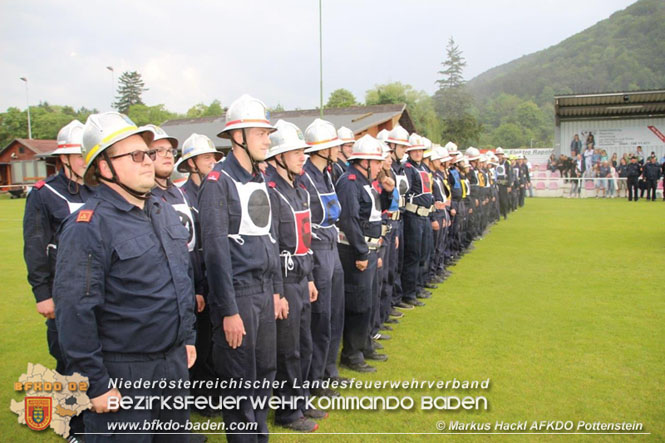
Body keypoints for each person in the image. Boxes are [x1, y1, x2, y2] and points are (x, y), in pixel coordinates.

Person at [53, 112, 198, 442]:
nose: (148, 161)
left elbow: (180, 279)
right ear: (104, 167)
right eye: (135, 155)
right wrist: (96, 384)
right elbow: (75, 314)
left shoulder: (159, 210)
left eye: (148, 153)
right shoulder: (88, 226)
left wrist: (187, 337)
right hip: (124, 372)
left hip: (172, 364)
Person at [198, 94, 281, 441]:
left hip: (263, 293)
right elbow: (215, 253)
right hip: (239, 297)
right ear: (238, 137)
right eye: (260, 133)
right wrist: (228, 311)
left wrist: (276, 290)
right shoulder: (219, 183)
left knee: (264, 375)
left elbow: (271, 238)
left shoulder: (262, 177)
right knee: (240, 382)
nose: (267, 139)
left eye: (267, 133)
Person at [23, 120, 94, 441]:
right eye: (78, 155)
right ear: (64, 158)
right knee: (69, 361)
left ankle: (96, 422)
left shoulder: (99, 189)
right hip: (62, 295)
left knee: (97, 362)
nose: (84, 160)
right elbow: (35, 247)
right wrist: (42, 294)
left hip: (97, 293)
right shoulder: (44, 194)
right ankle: (72, 426)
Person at [265, 120, 325, 432]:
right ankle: (287, 412)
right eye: (295, 152)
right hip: (285, 281)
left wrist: (312, 277)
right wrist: (277, 292)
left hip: (302, 278)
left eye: (302, 151)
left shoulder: (299, 189)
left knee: (304, 343)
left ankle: (300, 400)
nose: (302, 156)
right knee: (287, 350)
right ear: (277, 157)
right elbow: (272, 245)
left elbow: (306, 240)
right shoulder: (271, 192)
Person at [336, 135, 393, 373]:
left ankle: (364, 344)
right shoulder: (349, 182)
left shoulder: (365, 181)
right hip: (354, 252)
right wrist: (361, 253)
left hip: (369, 249)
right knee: (357, 304)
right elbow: (349, 221)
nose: (380, 166)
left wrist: (388, 194)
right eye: (377, 162)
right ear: (364, 161)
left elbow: (376, 212)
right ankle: (352, 353)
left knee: (368, 301)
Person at [301, 118, 345, 393]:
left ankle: (330, 367)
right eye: (333, 146)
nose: (338, 150)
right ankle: (315, 379)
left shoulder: (326, 173)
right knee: (320, 316)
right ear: (321, 149)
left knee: (335, 312)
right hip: (318, 249)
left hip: (333, 245)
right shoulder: (305, 176)